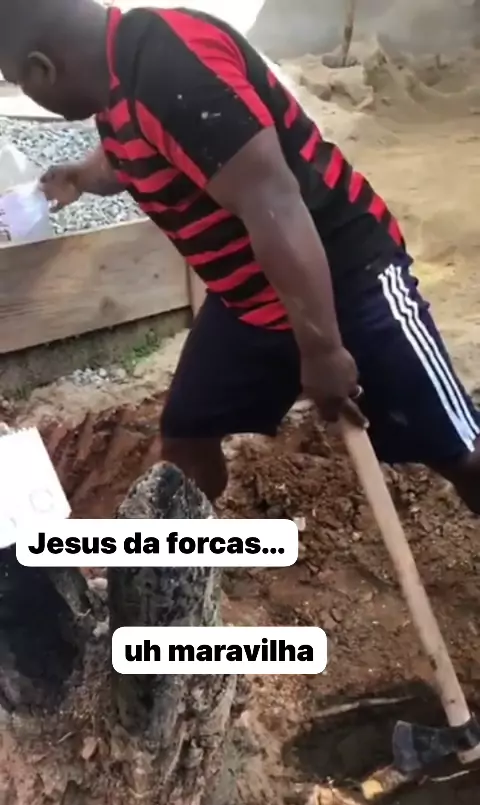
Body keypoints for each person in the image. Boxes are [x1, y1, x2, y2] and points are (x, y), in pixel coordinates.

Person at [2, 0, 480, 511]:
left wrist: (321, 349)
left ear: (42, 69)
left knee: (460, 452)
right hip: (251, 301)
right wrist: (80, 176)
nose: (24, 92)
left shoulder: (174, 70)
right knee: (187, 435)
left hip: (344, 282)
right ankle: (183, 556)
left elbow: (273, 204)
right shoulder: (118, 77)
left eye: (17, 81)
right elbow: (143, 144)